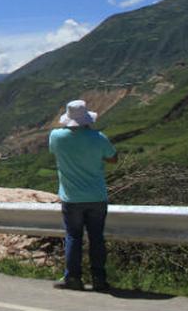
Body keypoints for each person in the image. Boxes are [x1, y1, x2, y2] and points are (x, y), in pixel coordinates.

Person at [48, 100, 117, 292]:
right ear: (87, 118)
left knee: (73, 237)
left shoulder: (56, 137)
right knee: (97, 238)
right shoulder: (99, 137)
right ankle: (99, 279)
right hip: (97, 196)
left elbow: (55, 151)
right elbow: (113, 158)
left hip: (71, 198)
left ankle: (73, 278)